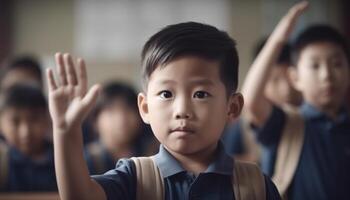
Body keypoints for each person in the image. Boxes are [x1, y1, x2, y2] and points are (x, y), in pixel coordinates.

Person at [46, 22, 281, 200]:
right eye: (166, 94)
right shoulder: (135, 177)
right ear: (145, 108)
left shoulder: (256, 185)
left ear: (232, 107)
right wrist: (65, 132)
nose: (182, 111)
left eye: (200, 94)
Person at [243, 2, 350, 199]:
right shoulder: (286, 124)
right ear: (295, 78)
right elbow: (251, 99)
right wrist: (279, 39)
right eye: (315, 66)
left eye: (336, 63)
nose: (327, 75)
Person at [222, 39, 302, 166]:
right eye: (275, 80)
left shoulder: (308, 115)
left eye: (289, 78)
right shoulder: (243, 123)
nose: (286, 89)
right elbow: (224, 161)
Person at [84, 81, 157, 174]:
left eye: (128, 109)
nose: (122, 119)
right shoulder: (86, 161)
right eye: (111, 110)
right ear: (95, 121)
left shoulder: (152, 154)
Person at [0, 84, 57, 191]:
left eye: (34, 119)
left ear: (47, 120)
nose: (25, 132)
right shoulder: (2, 162)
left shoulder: (63, 158)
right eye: (15, 121)